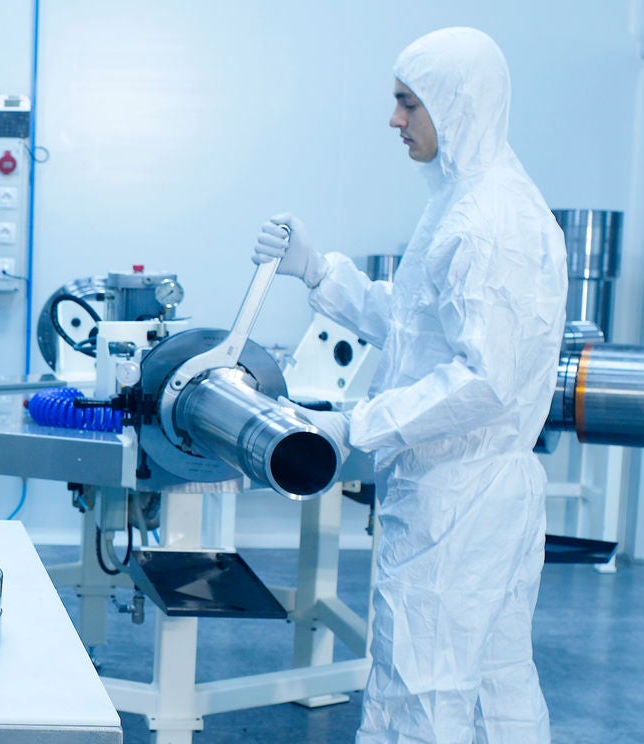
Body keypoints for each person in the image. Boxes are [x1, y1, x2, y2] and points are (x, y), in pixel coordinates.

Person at [253, 27, 566, 743]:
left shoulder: (491, 222)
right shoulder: (463, 203)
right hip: (469, 491)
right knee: (492, 685)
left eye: (408, 104)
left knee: (420, 689)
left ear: (457, 105)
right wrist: (319, 271)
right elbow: (416, 327)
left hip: (458, 500)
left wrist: (354, 426)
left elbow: (485, 380)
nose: (395, 120)